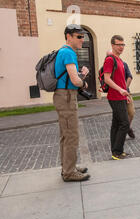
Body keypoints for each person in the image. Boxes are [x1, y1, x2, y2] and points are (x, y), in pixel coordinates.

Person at [54, 24, 90, 182]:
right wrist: (84, 81)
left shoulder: (62, 51)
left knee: (65, 135)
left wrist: (80, 77)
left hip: (62, 96)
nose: (82, 39)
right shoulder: (68, 52)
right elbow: (75, 80)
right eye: (79, 36)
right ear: (69, 36)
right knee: (72, 136)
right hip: (67, 97)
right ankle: (69, 172)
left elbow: (71, 77)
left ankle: (68, 167)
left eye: (83, 36)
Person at [103, 35, 131, 160]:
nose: (121, 47)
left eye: (122, 44)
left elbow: (122, 81)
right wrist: (120, 90)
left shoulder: (120, 60)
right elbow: (106, 79)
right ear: (113, 45)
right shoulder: (110, 59)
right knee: (125, 123)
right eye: (118, 44)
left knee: (116, 124)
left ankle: (115, 151)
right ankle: (117, 151)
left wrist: (126, 95)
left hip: (121, 97)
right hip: (115, 97)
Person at [106, 49, 135, 139]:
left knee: (131, 112)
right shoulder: (106, 66)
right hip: (114, 96)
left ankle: (127, 128)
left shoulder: (123, 64)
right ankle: (122, 132)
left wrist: (124, 90)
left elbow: (129, 76)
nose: (111, 58)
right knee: (119, 117)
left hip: (125, 93)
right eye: (108, 56)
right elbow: (104, 80)